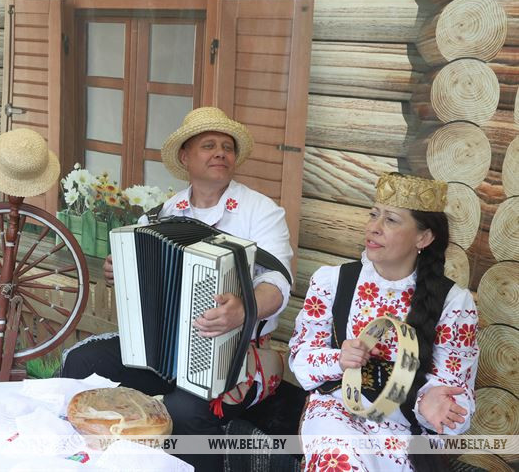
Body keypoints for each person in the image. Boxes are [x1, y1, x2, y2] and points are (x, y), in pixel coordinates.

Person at [61, 106, 294, 471]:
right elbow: (136, 279)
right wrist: (119, 270)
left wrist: (243, 309)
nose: (220, 152)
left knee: (183, 410)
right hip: (159, 352)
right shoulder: (160, 215)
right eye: (209, 145)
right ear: (185, 157)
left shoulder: (260, 211)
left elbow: (278, 282)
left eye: (227, 147)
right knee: (83, 362)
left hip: (233, 352)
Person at [288, 173, 479, 471]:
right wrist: (339, 359)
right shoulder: (332, 281)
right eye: (373, 215)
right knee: (339, 459)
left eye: (390, 220)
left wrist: (432, 404)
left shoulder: (454, 302)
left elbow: (454, 390)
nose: (373, 228)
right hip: (337, 412)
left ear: (424, 237)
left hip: (406, 428)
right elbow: (300, 357)